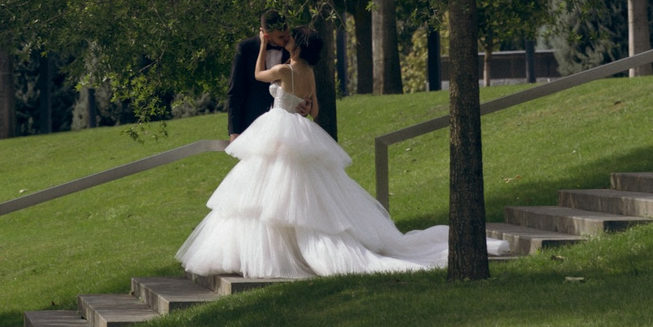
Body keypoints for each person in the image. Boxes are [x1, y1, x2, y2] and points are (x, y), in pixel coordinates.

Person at [179, 26, 452, 278]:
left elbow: (258, 75)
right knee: (295, 186)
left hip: (278, 127)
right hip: (299, 128)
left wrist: (263, 45)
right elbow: (315, 111)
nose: (287, 42)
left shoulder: (285, 70)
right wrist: (305, 105)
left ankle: (275, 254)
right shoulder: (309, 73)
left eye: (290, 41)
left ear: (296, 48)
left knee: (267, 187)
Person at [226, 12, 292, 137]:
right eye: (281, 37)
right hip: (252, 125)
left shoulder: (294, 49)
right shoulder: (245, 49)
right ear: (266, 35)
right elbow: (235, 91)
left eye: (287, 34)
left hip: (285, 127)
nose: (286, 39)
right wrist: (234, 131)